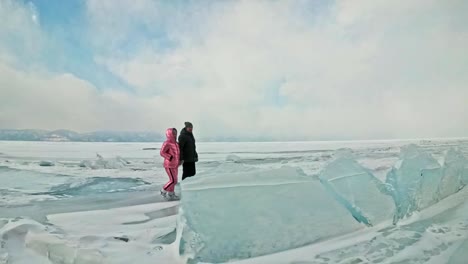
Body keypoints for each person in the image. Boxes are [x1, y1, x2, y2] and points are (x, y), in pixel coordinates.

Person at [160, 128, 180, 200]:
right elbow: (162, 152)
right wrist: (170, 157)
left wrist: (179, 161)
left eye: (175, 132)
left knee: (174, 180)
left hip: (175, 164)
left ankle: (171, 194)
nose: (175, 134)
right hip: (169, 164)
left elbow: (178, 154)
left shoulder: (176, 143)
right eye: (173, 133)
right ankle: (163, 190)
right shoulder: (167, 143)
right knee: (173, 180)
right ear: (169, 134)